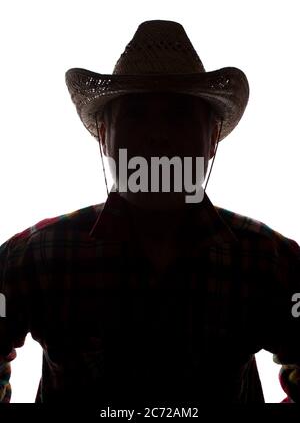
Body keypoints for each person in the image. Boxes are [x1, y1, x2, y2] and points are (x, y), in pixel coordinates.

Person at [0, 20, 299, 404]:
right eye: (137, 115)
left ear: (211, 139)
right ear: (105, 135)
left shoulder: (268, 262)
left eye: (178, 116)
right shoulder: (39, 257)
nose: (158, 136)